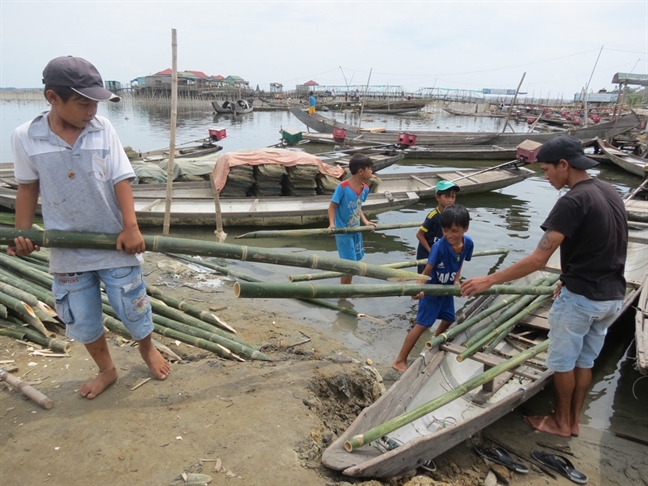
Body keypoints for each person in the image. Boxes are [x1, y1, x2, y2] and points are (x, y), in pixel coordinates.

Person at [8, 56, 171, 399]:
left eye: (95, 103)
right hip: (67, 247)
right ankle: (107, 368)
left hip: (114, 241)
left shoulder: (102, 129)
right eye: (83, 103)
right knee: (81, 315)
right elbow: (27, 187)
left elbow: (121, 178)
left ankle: (146, 348)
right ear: (53, 98)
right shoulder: (26, 137)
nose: (91, 111)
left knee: (131, 304)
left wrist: (131, 227)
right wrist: (22, 233)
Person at [461, 134, 627, 438]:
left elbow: (538, 259)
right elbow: (603, 245)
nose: (546, 175)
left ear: (564, 165)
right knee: (584, 361)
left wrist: (489, 279)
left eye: (547, 169)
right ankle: (573, 421)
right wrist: (566, 277)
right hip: (611, 297)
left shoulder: (572, 201)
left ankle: (560, 422)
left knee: (563, 363)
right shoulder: (609, 191)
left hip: (582, 299)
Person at [392, 205, 473, 372]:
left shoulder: (468, 244)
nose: (449, 235)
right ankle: (400, 360)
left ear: (465, 228)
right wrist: (418, 289)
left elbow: (460, 261)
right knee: (421, 325)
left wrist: (457, 280)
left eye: (454, 231)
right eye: (445, 231)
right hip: (432, 290)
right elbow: (426, 271)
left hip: (446, 291)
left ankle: (433, 345)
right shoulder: (439, 247)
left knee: (449, 318)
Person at [327, 154, 376, 284]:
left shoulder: (365, 188)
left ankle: (346, 291)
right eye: (370, 168)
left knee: (353, 264)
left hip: (356, 230)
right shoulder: (343, 187)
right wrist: (332, 224)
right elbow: (332, 207)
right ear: (361, 171)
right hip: (343, 232)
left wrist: (365, 221)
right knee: (349, 265)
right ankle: (344, 294)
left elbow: (357, 205)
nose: (372, 171)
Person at [415, 180, 460, 273]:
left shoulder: (452, 215)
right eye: (447, 197)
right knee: (425, 278)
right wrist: (430, 251)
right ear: (437, 197)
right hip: (427, 253)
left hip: (441, 251)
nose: (450, 200)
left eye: (453, 197)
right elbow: (419, 235)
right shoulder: (433, 216)